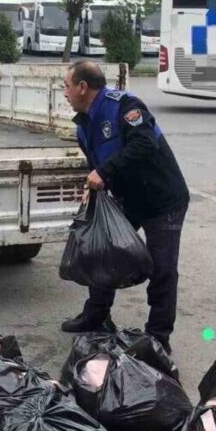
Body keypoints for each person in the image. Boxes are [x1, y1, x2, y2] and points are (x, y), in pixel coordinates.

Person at [60, 61, 190, 353]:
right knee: (103, 253)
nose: (64, 93)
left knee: (162, 269)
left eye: (66, 86)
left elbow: (144, 144)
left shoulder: (125, 106)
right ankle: (96, 316)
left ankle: (158, 338)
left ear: (82, 87)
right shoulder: (83, 123)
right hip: (127, 199)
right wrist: (93, 188)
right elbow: (98, 164)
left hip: (162, 200)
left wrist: (104, 173)